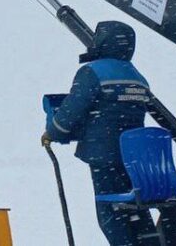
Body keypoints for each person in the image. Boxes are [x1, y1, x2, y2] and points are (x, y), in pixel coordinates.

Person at [43, 21, 158, 245]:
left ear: (102, 41)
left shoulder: (93, 71)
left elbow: (70, 112)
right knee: (137, 210)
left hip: (104, 156)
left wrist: (53, 132)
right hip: (135, 159)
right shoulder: (138, 78)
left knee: (111, 215)